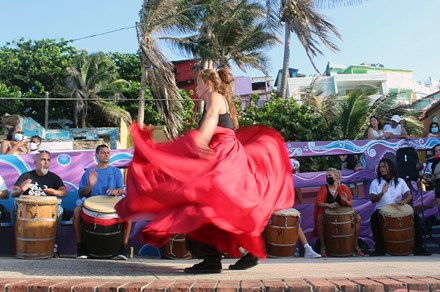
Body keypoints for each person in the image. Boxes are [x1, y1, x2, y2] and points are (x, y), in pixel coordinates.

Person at [115, 67, 294, 274]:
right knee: (211, 206)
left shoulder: (214, 96)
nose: (196, 88)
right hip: (222, 156)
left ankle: (214, 258)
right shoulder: (218, 98)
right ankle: (239, 252)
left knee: (197, 200)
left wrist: (199, 140)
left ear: (208, 83)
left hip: (222, 157)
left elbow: (210, 119)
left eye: (198, 83)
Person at [73, 144, 131, 260]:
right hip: (92, 203)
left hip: (111, 203)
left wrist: (116, 191)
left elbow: (121, 190)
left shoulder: (116, 171)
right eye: (103, 153)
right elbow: (81, 194)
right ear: (96, 155)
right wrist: (90, 185)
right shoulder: (89, 172)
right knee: (76, 212)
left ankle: (123, 248)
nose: (106, 155)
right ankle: (80, 248)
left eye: (108, 153)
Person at [369, 158, 431, 256]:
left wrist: (404, 201)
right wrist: (382, 192)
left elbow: (409, 195)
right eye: (380, 167)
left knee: (417, 219)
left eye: (384, 166)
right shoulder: (376, 182)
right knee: (373, 219)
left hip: (398, 208)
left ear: (391, 167)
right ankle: (379, 249)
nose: (381, 169)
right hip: (382, 209)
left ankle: (418, 248)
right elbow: (372, 199)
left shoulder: (400, 181)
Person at [11, 150, 66, 256]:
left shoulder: (54, 177)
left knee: (59, 209)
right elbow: (13, 192)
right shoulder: (26, 176)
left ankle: (53, 244)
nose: (46, 162)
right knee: (15, 207)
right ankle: (20, 241)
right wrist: (21, 189)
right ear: (35, 162)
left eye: (48, 160)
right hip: (28, 208)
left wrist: (55, 192)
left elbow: (63, 192)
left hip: (47, 209)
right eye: (43, 159)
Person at [312, 168, 363, 257]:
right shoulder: (324, 188)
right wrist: (328, 205)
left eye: (330, 176)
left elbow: (350, 204)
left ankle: (355, 245)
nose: (328, 178)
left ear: (336, 177)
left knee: (358, 218)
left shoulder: (344, 188)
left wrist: (345, 200)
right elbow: (318, 202)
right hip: (328, 214)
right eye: (327, 176)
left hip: (343, 214)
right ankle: (323, 246)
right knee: (319, 218)